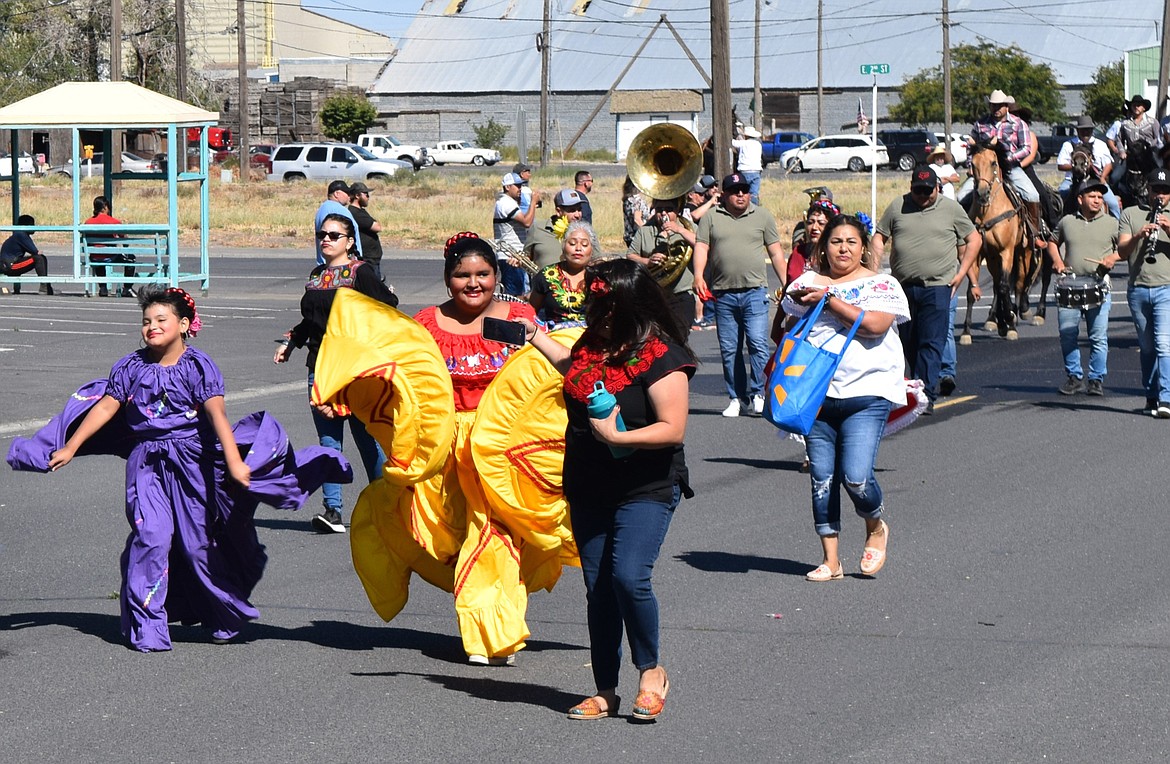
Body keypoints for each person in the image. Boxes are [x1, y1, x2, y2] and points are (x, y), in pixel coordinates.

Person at [30, 286, 344, 650]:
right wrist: (72, 444)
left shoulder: (197, 366)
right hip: (147, 464)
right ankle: (147, 626)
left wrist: (235, 461)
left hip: (194, 465)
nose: (151, 327)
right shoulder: (131, 366)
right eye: (146, 321)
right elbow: (106, 406)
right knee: (152, 537)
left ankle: (222, 613)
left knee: (198, 547)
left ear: (183, 325)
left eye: (160, 320)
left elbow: (218, 416)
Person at [519, 257, 696, 722]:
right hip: (589, 480)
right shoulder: (590, 344)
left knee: (628, 576)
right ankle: (605, 690)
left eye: (604, 303)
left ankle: (651, 673)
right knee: (598, 587)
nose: (595, 311)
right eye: (593, 302)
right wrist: (535, 335)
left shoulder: (662, 355)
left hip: (646, 482)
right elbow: (572, 369)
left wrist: (620, 438)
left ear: (630, 304)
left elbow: (672, 428)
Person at [408, 232, 542, 664]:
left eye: (483, 274)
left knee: (495, 533)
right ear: (447, 279)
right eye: (462, 274)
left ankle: (493, 632)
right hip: (446, 447)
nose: (473, 283)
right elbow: (401, 379)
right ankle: (490, 619)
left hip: (503, 447)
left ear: (497, 275)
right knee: (456, 538)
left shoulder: (519, 317)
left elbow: (548, 374)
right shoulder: (425, 323)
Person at [781, 215, 910, 581]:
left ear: (864, 248)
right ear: (823, 246)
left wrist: (829, 300)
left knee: (855, 477)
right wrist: (796, 307)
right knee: (822, 478)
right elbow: (788, 328)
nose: (843, 248)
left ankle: (875, 526)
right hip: (816, 393)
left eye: (851, 242)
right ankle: (831, 560)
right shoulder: (807, 282)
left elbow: (874, 326)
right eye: (836, 241)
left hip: (867, 393)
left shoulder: (882, 284)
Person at [274, 213, 397, 533]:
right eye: (321, 234)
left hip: (356, 369)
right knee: (329, 441)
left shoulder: (361, 273)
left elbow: (388, 307)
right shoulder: (316, 276)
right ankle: (333, 511)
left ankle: (387, 502)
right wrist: (291, 342)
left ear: (350, 242)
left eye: (333, 234)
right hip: (321, 368)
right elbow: (309, 321)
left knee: (367, 438)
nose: (325, 239)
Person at [873, 165, 982, 412]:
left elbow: (974, 239)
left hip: (938, 286)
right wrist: (874, 269)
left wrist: (962, 272)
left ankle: (925, 395)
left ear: (937, 188)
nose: (923, 196)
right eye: (917, 191)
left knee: (931, 342)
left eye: (927, 191)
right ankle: (915, 384)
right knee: (908, 342)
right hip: (903, 287)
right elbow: (879, 236)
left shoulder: (951, 208)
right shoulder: (897, 206)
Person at [692, 172, 787, 418]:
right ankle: (736, 397)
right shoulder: (712, 217)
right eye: (735, 191)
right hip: (723, 294)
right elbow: (701, 246)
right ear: (723, 194)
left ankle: (758, 394)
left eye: (744, 190)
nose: (741, 194)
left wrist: (787, 283)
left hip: (755, 291)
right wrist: (699, 275)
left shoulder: (762, 215)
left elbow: (776, 253)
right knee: (729, 348)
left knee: (757, 343)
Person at [1045, 179, 1120, 397]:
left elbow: (1125, 248)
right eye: (1092, 196)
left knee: (1098, 336)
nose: (1097, 200)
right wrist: (1057, 261)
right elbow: (1052, 241)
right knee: (1067, 334)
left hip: (1099, 286)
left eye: (1100, 197)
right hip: (1070, 285)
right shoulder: (1067, 221)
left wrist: (1113, 257)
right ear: (1080, 199)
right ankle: (1074, 377)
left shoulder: (1112, 224)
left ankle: (1096, 379)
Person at [1117, 168, 1170, 417]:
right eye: (1156, 190)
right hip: (1138, 288)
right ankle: (1151, 394)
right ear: (1147, 189)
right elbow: (1123, 251)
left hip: (1166, 288)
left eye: (1165, 191)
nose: (1160, 195)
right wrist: (1139, 235)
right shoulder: (1130, 213)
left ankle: (1166, 398)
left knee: (1163, 345)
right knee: (1147, 347)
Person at [960, 90, 1042, 240]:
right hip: (984, 170)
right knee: (961, 197)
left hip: (1010, 168)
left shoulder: (1018, 124)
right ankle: (963, 235)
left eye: (1000, 106)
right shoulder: (980, 124)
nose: (996, 109)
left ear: (1006, 106)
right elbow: (970, 147)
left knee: (1032, 194)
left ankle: (1034, 234)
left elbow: (1026, 148)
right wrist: (971, 165)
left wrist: (1008, 158)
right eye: (993, 105)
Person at [627, 196, 698, 335]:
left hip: (681, 294)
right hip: (654, 294)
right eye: (659, 209)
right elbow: (630, 256)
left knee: (679, 337)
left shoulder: (689, 227)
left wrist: (680, 230)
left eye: (669, 209)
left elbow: (703, 245)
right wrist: (647, 261)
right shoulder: (645, 230)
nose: (664, 213)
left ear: (677, 211)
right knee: (656, 338)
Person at [530, 219, 597, 327]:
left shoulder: (598, 278)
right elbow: (532, 312)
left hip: (589, 339)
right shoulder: (547, 275)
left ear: (592, 250)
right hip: (553, 338)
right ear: (563, 246)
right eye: (572, 243)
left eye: (584, 245)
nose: (578, 248)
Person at [1056, 115, 1119, 218]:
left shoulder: (1100, 144)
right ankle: (1058, 227)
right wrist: (1076, 167)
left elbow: (1108, 164)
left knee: (1113, 204)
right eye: (1082, 130)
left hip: (1096, 179)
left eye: (1088, 130)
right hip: (1071, 180)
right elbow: (1060, 165)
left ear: (1092, 130)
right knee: (1059, 200)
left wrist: (1103, 177)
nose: (1085, 132)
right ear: (1078, 130)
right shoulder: (1068, 144)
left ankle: (1117, 228)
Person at [493, 171, 540, 296]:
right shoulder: (506, 203)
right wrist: (533, 203)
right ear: (508, 187)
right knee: (514, 294)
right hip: (510, 256)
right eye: (517, 186)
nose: (520, 189)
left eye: (521, 186)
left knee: (520, 291)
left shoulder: (510, 202)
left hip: (515, 254)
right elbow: (527, 222)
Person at [83, 195, 136, 298]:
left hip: (94, 256)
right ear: (105, 207)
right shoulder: (114, 222)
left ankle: (103, 288)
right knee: (130, 259)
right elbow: (125, 239)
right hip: (110, 256)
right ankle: (127, 288)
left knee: (98, 256)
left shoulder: (88, 222)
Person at [524, 189, 586, 269]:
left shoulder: (585, 232)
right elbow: (527, 256)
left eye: (579, 209)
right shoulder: (538, 228)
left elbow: (596, 260)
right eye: (572, 210)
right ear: (558, 211)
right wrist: (518, 260)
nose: (577, 215)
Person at [313, 180, 362, 266]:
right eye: (347, 193)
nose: (349, 196)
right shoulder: (339, 209)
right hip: (342, 266)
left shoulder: (322, 209)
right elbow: (350, 232)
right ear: (337, 194)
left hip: (325, 263)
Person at [0, 214, 52, 295]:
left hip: (10, 263)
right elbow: (35, 251)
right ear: (26, 225)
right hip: (10, 266)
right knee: (39, 259)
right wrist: (37, 253)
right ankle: (44, 288)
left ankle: (47, 287)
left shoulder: (19, 234)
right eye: (32, 224)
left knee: (40, 258)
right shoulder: (21, 235)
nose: (34, 227)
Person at [348, 181, 385, 280]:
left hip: (371, 258)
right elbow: (377, 227)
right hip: (367, 259)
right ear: (357, 195)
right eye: (366, 194)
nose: (368, 197)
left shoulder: (360, 211)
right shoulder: (355, 213)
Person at [732, 125, 764, 205]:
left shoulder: (743, 143)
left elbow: (733, 143)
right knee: (754, 193)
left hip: (744, 170)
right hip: (756, 171)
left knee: (743, 192)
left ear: (746, 135)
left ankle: (744, 207)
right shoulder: (758, 144)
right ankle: (754, 208)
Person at [622, 176, 650, 248]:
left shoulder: (628, 199)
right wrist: (647, 234)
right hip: (638, 237)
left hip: (630, 236)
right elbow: (637, 219)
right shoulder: (636, 200)